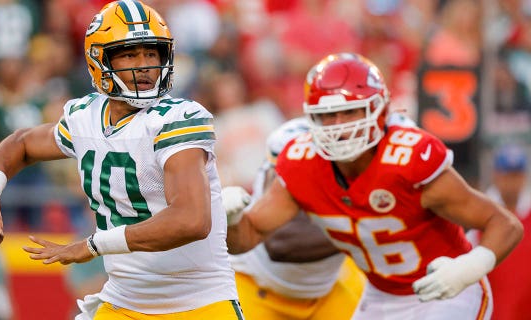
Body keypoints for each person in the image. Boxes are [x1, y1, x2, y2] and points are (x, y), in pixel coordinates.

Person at [0, 1, 241, 319]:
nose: (144, 64)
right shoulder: (85, 117)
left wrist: (94, 244)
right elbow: (22, 143)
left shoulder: (178, 118)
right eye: (130, 53)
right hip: (125, 302)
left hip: (199, 302)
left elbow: (191, 220)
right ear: (98, 60)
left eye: (151, 53)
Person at [221, 53, 523, 319]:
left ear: (379, 109)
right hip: (381, 295)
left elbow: (505, 223)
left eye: (350, 111)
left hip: (444, 287)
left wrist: (471, 266)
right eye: (327, 115)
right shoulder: (301, 162)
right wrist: (233, 220)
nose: (339, 125)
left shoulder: (408, 159)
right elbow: (248, 237)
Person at [228, 117, 366, 320]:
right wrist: (366, 228)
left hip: (325, 291)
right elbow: (280, 244)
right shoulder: (281, 175)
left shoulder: (346, 171)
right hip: (258, 288)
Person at [474, 144, 531, 319]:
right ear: (496, 175)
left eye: (516, 175)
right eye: (507, 175)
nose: (512, 182)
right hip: (492, 312)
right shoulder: (478, 215)